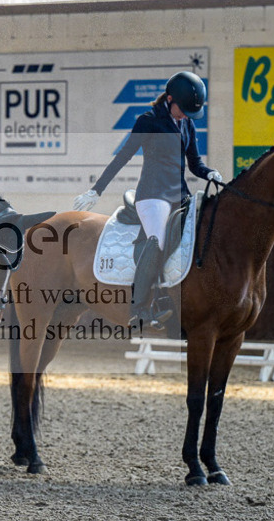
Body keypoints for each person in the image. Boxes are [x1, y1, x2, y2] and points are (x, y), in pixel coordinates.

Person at [73, 71, 222, 329]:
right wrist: (96, 190)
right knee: (157, 239)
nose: (185, 115)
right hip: (153, 196)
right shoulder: (148, 121)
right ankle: (140, 307)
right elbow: (123, 157)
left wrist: (209, 172)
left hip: (180, 195)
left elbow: (195, 163)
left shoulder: (186, 122)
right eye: (183, 109)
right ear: (170, 98)